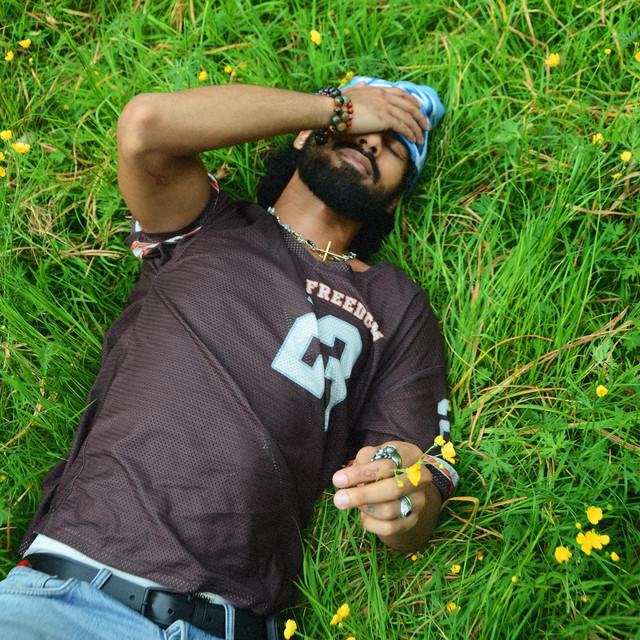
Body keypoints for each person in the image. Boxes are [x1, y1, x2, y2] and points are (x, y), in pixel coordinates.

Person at [0, 75, 457, 640]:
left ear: (393, 199)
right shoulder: (208, 222)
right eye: (366, 125)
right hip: (67, 595)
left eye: (396, 146)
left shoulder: (396, 303)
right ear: (303, 136)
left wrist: (403, 497)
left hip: (232, 625)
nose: (371, 141)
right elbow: (145, 127)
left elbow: (419, 470)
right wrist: (336, 109)